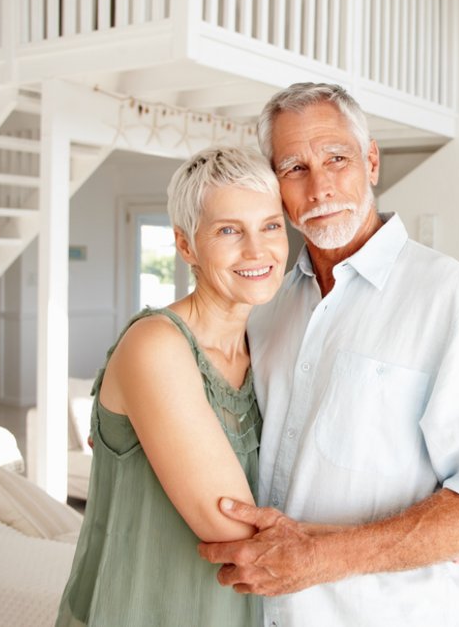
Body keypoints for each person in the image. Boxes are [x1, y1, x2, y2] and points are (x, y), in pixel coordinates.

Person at [198, 83, 459, 626]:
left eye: (337, 159)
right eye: (295, 168)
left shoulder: (451, 299)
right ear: (275, 186)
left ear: (371, 161)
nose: (320, 187)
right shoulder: (267, 310)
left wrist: (318, 558)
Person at [55, 146, 289, 626]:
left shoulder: (264, 347)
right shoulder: (156, 345)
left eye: (270, 225)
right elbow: (233, 529)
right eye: (229, 230)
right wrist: (387, 541)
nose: (257, 249)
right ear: (186, 246)